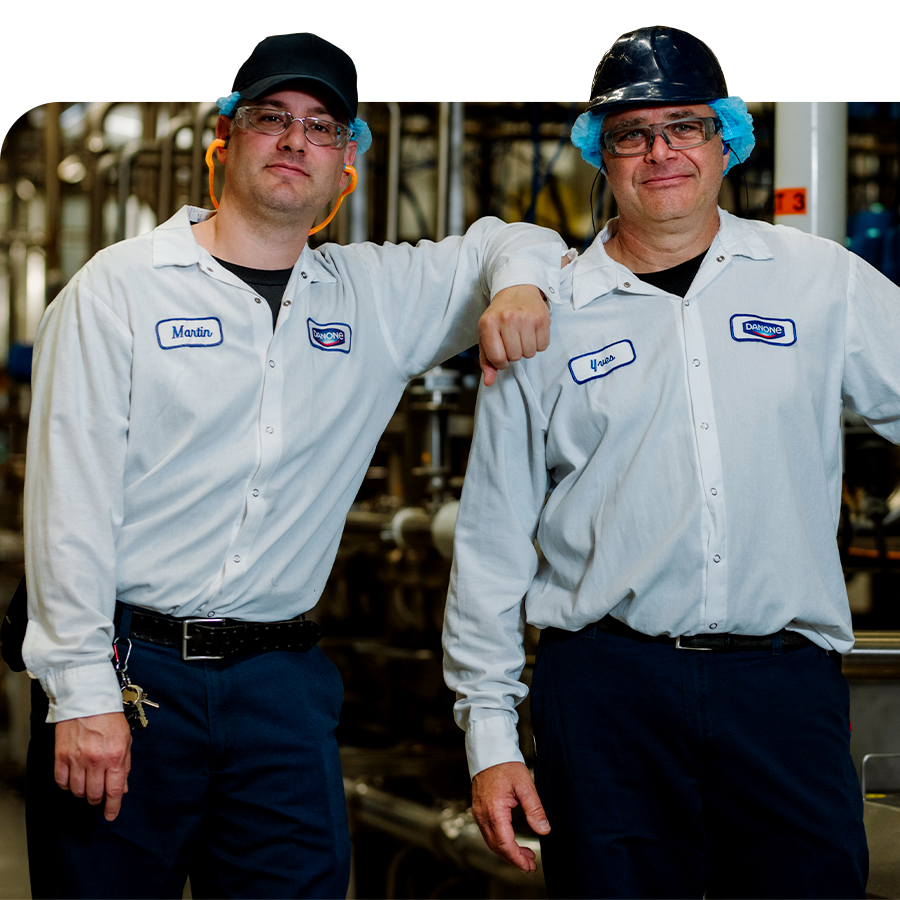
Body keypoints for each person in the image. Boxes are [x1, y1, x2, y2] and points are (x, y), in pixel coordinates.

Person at [22, 31, 568, 900]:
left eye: (322, 126)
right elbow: (68, 507)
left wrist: (521, 288)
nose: (295, 140)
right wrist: (80, 689)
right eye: (272, 117)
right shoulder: (118, 289)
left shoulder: (372, 297)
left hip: (282, 683)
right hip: (133, 675)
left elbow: (518, 236)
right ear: (227, 137)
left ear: (348, 161)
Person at [442, 24, 895, 899]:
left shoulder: (816, 281)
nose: (660, 152)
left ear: (728, 140)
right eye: (632, 134)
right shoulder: (544, 314)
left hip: (781, 687)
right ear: (599, 154)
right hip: (608, 691)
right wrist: (490, 742)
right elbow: (490, 545)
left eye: (684, 126)